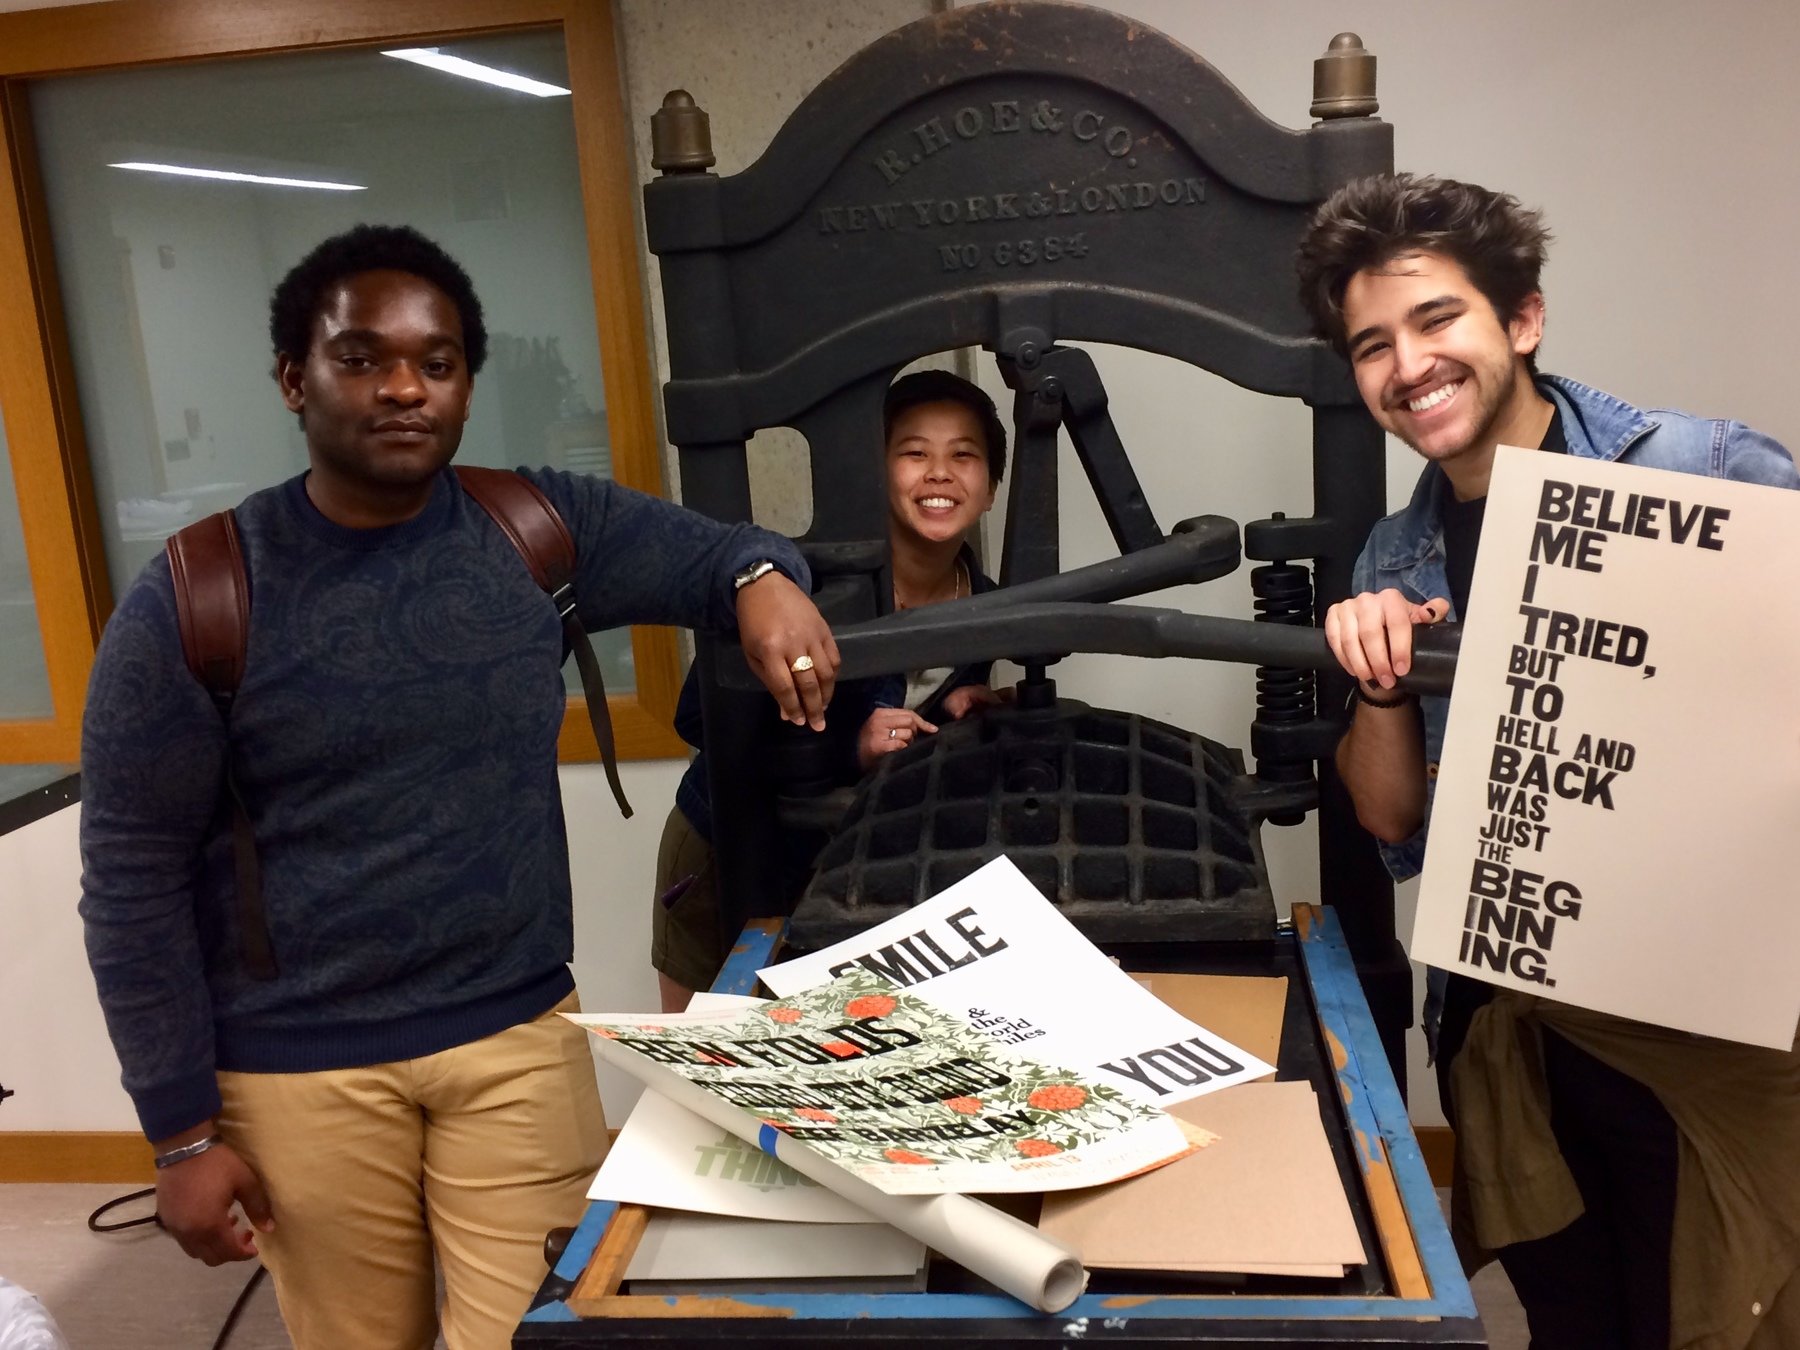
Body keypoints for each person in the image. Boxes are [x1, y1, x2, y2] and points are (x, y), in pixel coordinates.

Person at [77, 224, 839, 1350]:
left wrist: (765, 578)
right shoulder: (199, 594)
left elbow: (714, 551)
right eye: (360, 357)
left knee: (542, 1334)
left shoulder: (528, 528)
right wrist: (181, 1135)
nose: (402, 387)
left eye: (436, 363)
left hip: (514, 1036)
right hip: (299, 1069)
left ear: (466, 386)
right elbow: (130, 881)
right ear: (295, 377)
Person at [1299, 174, 1800, 1350]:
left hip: (1702, 1022)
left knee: (1731, 1303)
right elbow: (1390, 825)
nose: (1408, 366)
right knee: (1574, 1317)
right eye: (1373, 345)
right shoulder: (1396, 548)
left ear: (1522, 319)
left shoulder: (1704, 471)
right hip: (1510, 1023)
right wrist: (1378, 684)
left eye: (1436, 321)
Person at [651, 369, 1007, 1011]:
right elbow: (700, 720)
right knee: (708, 1063)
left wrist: (959, 718)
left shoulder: (987, 607)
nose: (939, 473)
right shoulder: (798, 583)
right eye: (914, 452)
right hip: (728, 848)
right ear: (876, 472)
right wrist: (848, 745)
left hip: (857, 868)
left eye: (964, 455)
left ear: (989, 488)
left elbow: (913, 733)